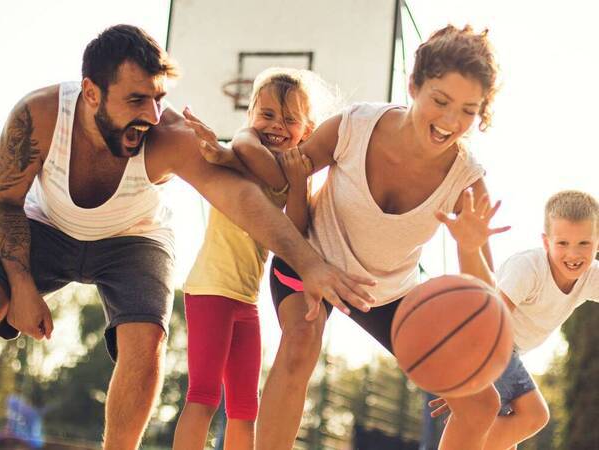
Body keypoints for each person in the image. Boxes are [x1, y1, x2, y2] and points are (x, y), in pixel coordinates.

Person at [0, 25, 375, 450]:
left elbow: (242, 199)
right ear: (91, 93)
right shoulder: (40, 115)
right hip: (46, 227)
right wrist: (23, 284)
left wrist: (310, 263)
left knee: (146, 340)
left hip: (133, 240)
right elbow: (5, 201)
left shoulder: (168, 135)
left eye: (158, 99)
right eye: (136, 100)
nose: (151, 115)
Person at [189, 24, 511, 450]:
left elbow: (483, 297)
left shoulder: (467, 181)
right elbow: (285, 173)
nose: (451, 121)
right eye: (441, 101)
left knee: (481, 403)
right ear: (414, 86)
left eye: (469, 110)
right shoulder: (354, 126)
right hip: (312, 260)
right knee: (301, 341)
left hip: (387, 291)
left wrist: (470, 248)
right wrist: (233, 151)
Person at [173, 68, 324, 450]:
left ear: (307, 130)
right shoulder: (242, 148)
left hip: (245, 300)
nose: (276, 125)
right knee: (204, 394)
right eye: (267, 114)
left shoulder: (286, 175)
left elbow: (296, 232)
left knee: (244, 407)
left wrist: (299, 182)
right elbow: (244, 150)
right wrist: (220, 152)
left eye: (290, 119)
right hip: (210, 289)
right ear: (251, 116)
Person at [429, 190, 599, 449]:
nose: (573, 255)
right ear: (546, 242)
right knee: (534, 414)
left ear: (596, 244)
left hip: (507, 351)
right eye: (562, 243)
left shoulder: (589, 276)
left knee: (510, 435)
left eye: (583, 244)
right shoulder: (529, 269)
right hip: (486, 342)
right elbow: (487, 319)